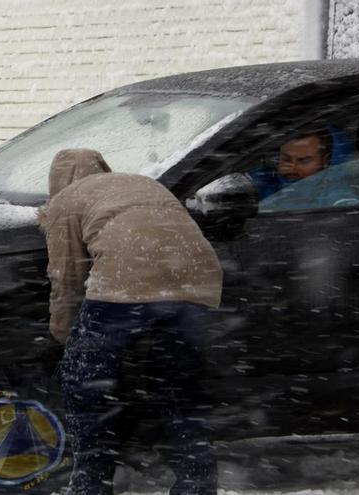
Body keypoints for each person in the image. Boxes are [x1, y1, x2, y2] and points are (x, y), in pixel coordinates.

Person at [38, 148, 223, 495]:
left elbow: (66, 279)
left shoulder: (65, 201)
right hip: (198, 278)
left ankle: (91, 483)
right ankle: (196, 481)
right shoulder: (140, 183)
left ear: (57, 182)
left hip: (127, 277)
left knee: (86, 383)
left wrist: (63, 338)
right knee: (179, 385)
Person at [249, 127, 359, 210]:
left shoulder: (338, 201)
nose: (292, 168)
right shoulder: (261, 183)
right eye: (287, 159)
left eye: (304, 161)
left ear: (325, 161)